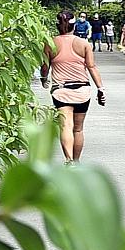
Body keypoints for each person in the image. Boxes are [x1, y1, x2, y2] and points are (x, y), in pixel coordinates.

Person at [40, 9, 106, 163]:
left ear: (57, 25)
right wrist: (100, 88)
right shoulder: (83, 44)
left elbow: (45, 67)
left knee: (65, 126)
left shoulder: (50, 44)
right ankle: (76, 162)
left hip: (61, 91)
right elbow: (92, 67)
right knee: (78, 129)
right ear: (74, 26)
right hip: (82, 91)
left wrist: (44, 79)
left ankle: (69, 160)